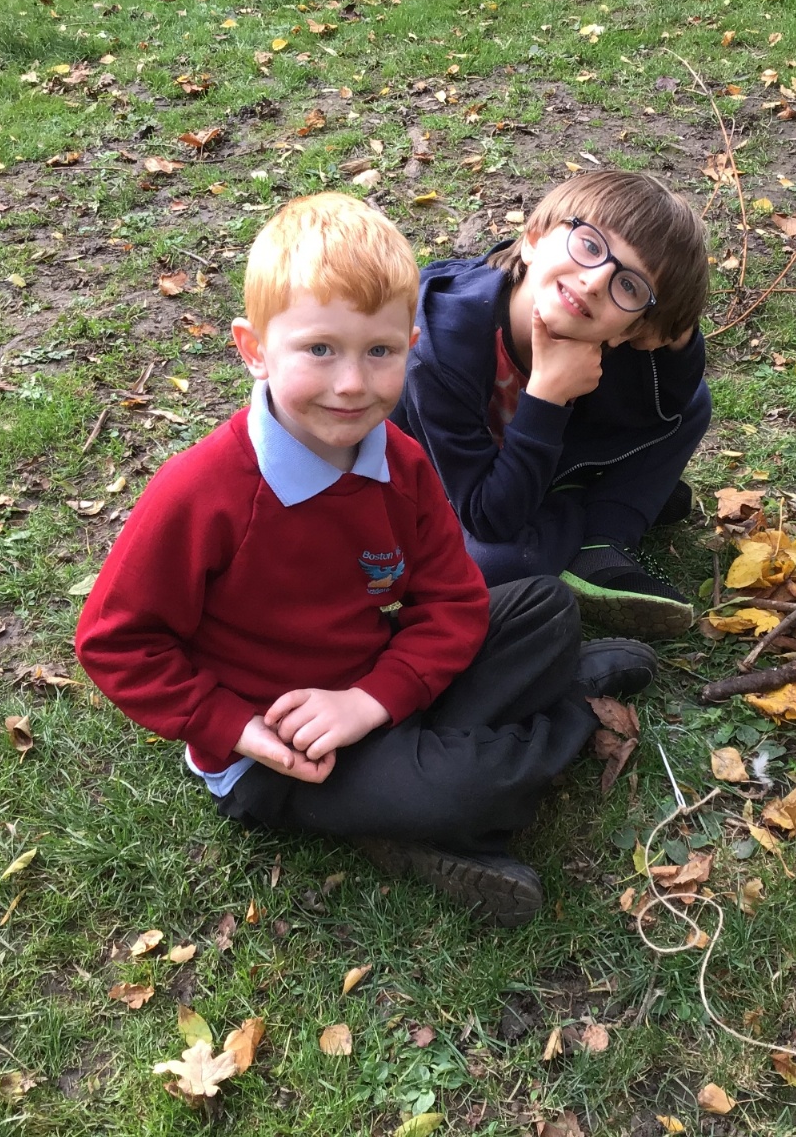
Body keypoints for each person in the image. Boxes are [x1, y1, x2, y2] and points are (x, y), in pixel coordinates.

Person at [75, 193, 654, 927]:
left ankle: (431, 781)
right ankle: (568, 708)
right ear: (254, 349)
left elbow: (454, 602)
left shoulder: (399, 464)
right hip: (282, 757)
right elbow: (115, 642)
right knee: (461, 789)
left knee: (544, 606)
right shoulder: (200, 491)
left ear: (410, 345)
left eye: (379, 352)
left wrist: (369, 701)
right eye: (320, 349)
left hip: (374, 685)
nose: (351, 384)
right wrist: (238, 729)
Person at [391, 171, 712, 640]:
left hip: (529, 467)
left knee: (692, 405)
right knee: (494, 565)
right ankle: (596, 511)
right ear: (534, 239)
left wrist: (678, 338)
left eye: (630, 286)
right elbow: (486, 518)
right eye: (590, 245)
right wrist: (547, 395)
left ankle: (606, 541)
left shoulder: (606, 332)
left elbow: (671, 404)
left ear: (633, 331)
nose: (596, 280)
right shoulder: (439, 348)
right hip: (455, 492)